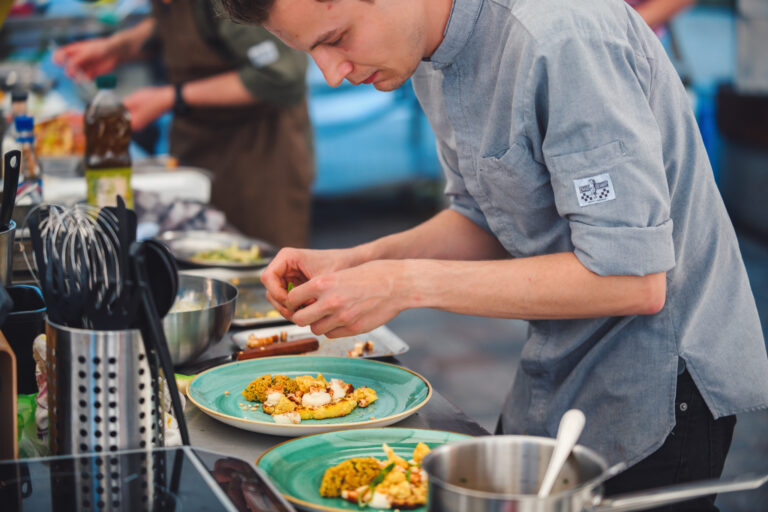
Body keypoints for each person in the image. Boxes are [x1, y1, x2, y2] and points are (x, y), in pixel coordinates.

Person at [221, 0, 768, 509]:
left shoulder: (564, 35)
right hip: (553, 369)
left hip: (657, 386)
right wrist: (362, 262)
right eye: (310, 52)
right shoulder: (428, 52)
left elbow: (634, 281)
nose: (331, 73)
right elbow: (484, 216)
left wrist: (402, 285)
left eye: (337, 39)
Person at [54, 0, 314, 248]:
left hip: (260, 155)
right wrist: (117, 48)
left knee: (268, 266)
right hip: (198, 144)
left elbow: (282, 77)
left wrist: (171, 97)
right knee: (198, 254)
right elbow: (170, 23)